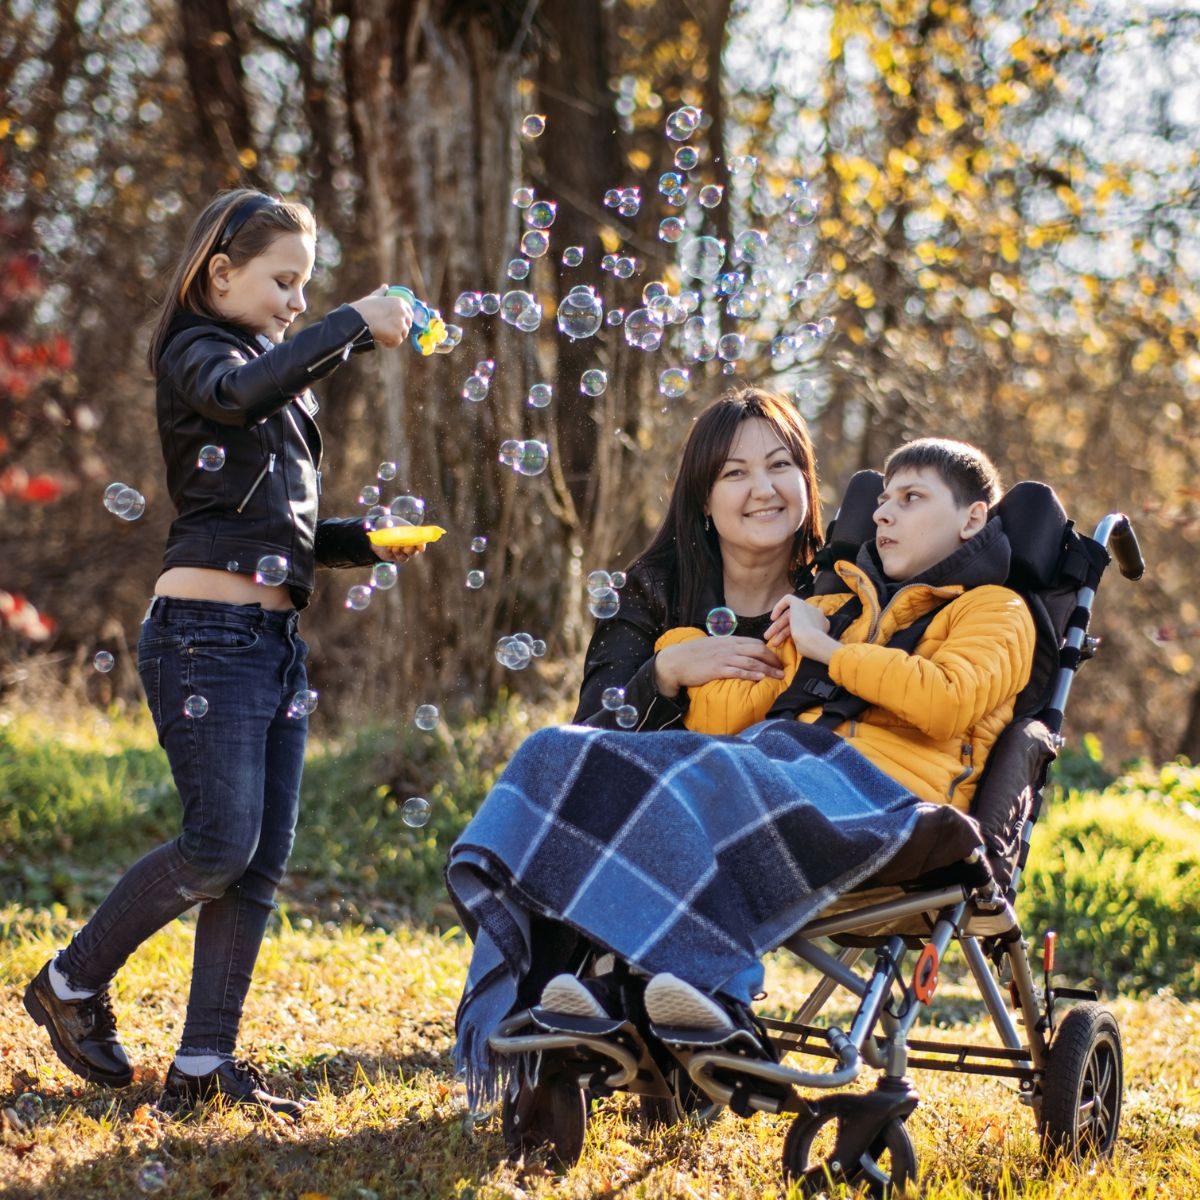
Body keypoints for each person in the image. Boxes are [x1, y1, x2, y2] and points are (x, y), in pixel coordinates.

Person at [448, 437, 1036, 1096]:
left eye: (911, 498)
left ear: (973, 519)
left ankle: (715, 992)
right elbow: (733, 719)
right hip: (784, 767)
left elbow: (947, 701)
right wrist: (685, 652)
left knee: (723, 774)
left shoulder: (998, 611)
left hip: (892, 806)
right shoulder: (839, 607)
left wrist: (827, 652)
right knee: (562, 754)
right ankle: (597, 986)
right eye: (884, 502)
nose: (884, 515)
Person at [24, 188, 420, 1118]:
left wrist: (363, 539)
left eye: (307, 286)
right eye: (283, 281)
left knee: (259, 859)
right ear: (220, 272)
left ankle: (204, 1063)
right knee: (218, 843)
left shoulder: (270, 377)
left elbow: (274, 523)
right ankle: (70, 982)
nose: (293, 299)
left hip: (271, 643)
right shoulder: (199, 355)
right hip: (205, 640)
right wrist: (351, 323)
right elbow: (242, 394)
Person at [575, 386, 823, 731]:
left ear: (806, 481)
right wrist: (664, 673)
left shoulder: (838, 590)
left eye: (780, 464)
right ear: (704, 499)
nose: (765, 489)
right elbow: (585, 739)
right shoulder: (650, 592)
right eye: (735, 473)